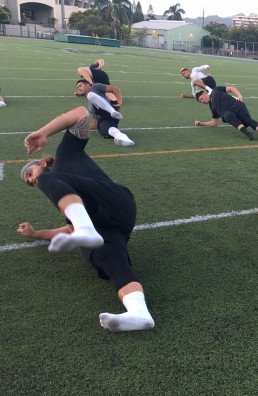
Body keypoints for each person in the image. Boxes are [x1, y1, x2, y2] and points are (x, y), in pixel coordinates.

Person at [18, 106, 155, 333]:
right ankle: (140, 313)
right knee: (109, 261)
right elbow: (68, 230)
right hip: (107, 229)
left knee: (51, 184)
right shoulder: (66, 200)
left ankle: (86, 230)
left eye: (30, 175)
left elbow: (81, 113)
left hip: (115, 201)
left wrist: (43, 133)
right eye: (28, 183)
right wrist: (35, 234)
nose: (32, 182)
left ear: (41, 163)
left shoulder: (66, 155)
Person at [194, 86, 258, 141]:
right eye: (200, 101)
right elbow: (214, 122)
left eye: (201, 99)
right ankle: (248, 134)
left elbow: (231, 88)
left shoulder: (215, 90)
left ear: (204, 93)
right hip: (229, 113)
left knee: (247, 119)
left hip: (237, 105)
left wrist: (239, 95)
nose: (202, 101)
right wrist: (201, 123)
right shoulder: (212, 107)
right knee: (227, 115)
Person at [76, 79, 134, 147]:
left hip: (111, 110)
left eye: (80, 85)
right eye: (77, 88)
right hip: (106, 119)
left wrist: (119, 102)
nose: (79, 88)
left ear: (88, 85)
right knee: (106, 131)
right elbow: (95, 124)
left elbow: (115, 89)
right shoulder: (90, 107)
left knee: (90, 95)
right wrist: (82, 127)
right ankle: (124, 139)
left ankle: (112, 111)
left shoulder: (95, 87)